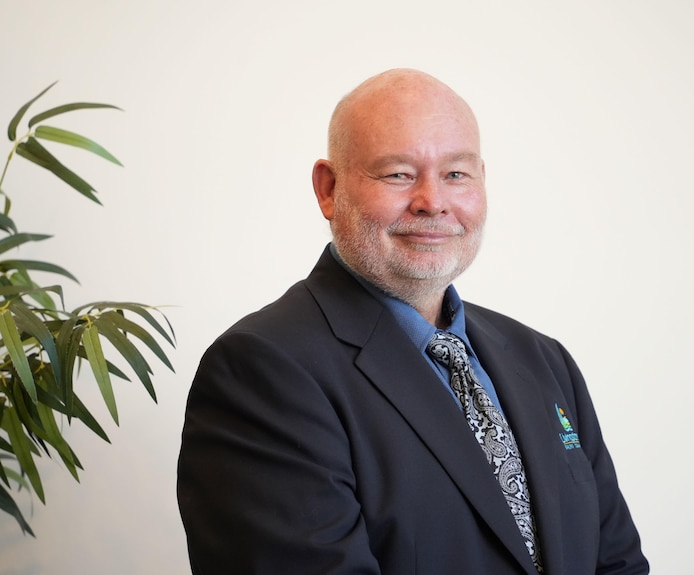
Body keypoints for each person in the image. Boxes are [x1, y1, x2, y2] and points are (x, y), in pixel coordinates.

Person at [177, 68, 648, 575]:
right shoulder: (263, 371)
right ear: (329, 189)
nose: (433, 201)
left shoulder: (543, 359)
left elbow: (616, 562)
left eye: (456, 174)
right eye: (399, 173)